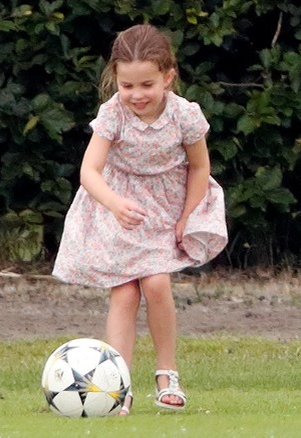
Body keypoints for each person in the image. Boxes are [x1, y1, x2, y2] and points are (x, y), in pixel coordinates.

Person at [52, 23, 228, 416]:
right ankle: (118, 386)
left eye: (146, 84)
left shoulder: (186, 115)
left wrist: (188, 215)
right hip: (121, 211)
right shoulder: (113, 114)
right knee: (125, 292)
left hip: (166, 210)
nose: (136, 95)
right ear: (115, 79)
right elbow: (89, 171)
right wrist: (114, 204)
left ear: (168, 77)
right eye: (127, 86)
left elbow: (200, 167)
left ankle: (168, 375)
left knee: (157, 282)